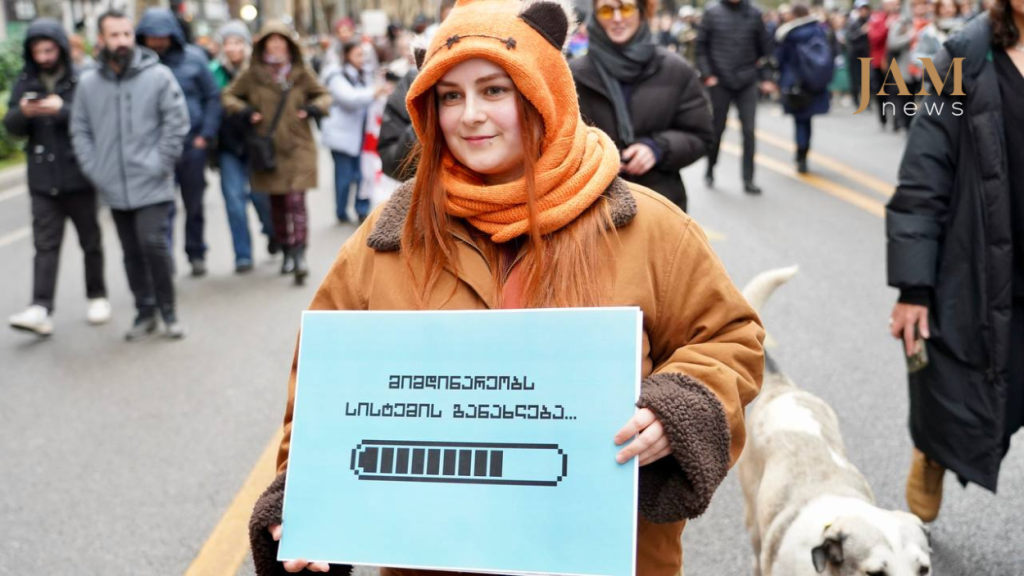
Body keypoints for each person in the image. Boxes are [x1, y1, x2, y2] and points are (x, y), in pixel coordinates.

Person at [245, 1, 764, 575]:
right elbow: (325, 388)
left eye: (494, 90)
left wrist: (678, 410)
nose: (470, 115)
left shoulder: (645, 223)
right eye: (450, 95)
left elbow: (729, 338)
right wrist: (303, 501)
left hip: (601, 556)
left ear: (543, 92)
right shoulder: (388, 235)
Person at [886, 0, 1024, 523]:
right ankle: (934, 452)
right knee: (985, 405)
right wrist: (913, 287)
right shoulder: (963, 59)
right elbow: (924, 175)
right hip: (986, 270)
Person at [70, 10, 190, 341]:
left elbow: (177, 122)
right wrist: (95, 169)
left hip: (153, 181)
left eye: (126, 33)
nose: (122, 40)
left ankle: (169, 311)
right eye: (114, 35)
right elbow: (80, 129)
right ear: (101, 40)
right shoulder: (88, 83)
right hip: (112, 184)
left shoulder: (159, 76)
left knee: (153, 244)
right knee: (130, 251)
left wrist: (160, 163)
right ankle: (144, 311)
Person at [5, 18, 110, 337]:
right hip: (42, 179)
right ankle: (40, 307)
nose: (44, 57)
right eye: (37, 51)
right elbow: (11, 126)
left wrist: (61, 110)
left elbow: (95, 120)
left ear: (60, 49)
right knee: (45, 245)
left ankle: (97, 295)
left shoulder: (81, 79)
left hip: (79, 176)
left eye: (49, 50)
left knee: (90, 240)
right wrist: (23, 112)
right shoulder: (25, 81)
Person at [571, 0, 714, 212]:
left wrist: (657, 149)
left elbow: (701, 136)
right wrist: (596, 158)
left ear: (642, 12)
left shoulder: (676, 70)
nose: (617, 18)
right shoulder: (572, 75)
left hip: (659, 206)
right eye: (607, 10)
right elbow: (555, 142)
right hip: (591, 207)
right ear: (596, 15)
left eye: (626, 8)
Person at [222, 22, 332, 286]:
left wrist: (312, 109)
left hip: (298, 146)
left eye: (281, 42)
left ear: (288, 45)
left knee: (296, 202)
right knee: (278, 206)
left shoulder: (300, 71)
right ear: (263, 46)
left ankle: (299, 255)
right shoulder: (253, 73)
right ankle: (285, 250)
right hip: (268, 148)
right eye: (272, 43)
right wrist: (247, 112)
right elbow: (228, 96)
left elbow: (324, 95)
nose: (277, 47)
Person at [136, 8, 222, 277]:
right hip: (156, 149)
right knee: (162, 207)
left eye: (162, 36)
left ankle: (196, 252)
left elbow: (212, 97)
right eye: (152, 37)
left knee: (193, 204)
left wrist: (204, 136)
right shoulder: (139, 64)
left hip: (191, 145)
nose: (158, 42)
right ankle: (164, 259)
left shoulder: (194, 59)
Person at [209, 19, 278, 273]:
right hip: (228, 148)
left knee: (262, 199)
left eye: (237, 42)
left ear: (246, 45)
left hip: (257, 146)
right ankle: (243, 255)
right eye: (227, 42)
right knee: (234, 202)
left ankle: (272, 233)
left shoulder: (259, 71)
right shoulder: (213, 72)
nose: (232, 48)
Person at [696, 0, 775, 195]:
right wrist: (708, 75)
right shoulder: (712, 12)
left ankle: (748, 179)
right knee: (717, 128)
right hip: (720, 81)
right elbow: (701, 47)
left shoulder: (755, 13)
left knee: (748, 131)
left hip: (747, 80)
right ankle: (710, 167)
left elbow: (764, 50)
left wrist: (766, 78)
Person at [378, 0, 457, 182]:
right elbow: (392, 163)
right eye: (453, 95)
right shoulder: (413, 81)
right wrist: (424, 121)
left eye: (493, 91)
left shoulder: (517, 79)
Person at [321, 42, 390, 224]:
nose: (362, 59)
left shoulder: (365, 73)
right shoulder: (336, 76)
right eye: (358, 55)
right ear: (347, 55)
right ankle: (341, 210)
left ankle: (362, 209)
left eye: (363, 55)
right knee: (344, 177)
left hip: (362, 133)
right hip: (342, 136)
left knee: (363, 173)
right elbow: (349, 98)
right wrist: (374, 93)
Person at [774, 4, 832, 174]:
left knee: (799, 120)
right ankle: (805, 153)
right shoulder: (818, 30)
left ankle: (800, 155)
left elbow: (780, 58)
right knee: (807, 120)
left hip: (795, 83)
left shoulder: (788, 34)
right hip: (814, 82)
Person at [887, 0, 934, 132]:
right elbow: (892, 43)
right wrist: (910, 36)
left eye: (922, 4)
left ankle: (922, 128)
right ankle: (908, 127)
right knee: (907, 100)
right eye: (916, 5)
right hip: (907, 68)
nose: (920, 8)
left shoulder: (932, 22)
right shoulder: (902, 23)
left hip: (926, 68)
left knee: (926, 100)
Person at [868, 0, 901, 130]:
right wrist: (887, 26)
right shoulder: (877, 19)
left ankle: (896, 121)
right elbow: (874, 38)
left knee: (895, 92)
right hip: (879, 62)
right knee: (881, 92)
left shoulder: (900, 19)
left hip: (896, 62)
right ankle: (883, 119)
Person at [846, 0, 873, 110]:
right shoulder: (853, 23)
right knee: (856, 79)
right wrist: (862, 31)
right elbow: (850, 37)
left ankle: (866, 102)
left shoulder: (870, 21)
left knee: (866, 79)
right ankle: (856, 100)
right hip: (855, 56)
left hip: (866, 55)